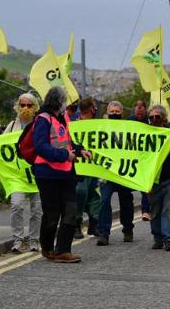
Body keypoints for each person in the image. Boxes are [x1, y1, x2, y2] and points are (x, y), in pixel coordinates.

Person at [32, 87, 92, 263]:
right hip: (47, 174)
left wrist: (80, 151)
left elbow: (66, 142)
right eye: (64, 99)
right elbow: (40, 146)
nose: (67, 103)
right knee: (51, 214)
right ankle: (48, 247)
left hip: (66, 173)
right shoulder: (43, 119)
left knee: (71, 211)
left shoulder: (62, 118)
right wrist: (65, 155)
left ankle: (63, 251)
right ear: (57, 101)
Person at [5, 94, 42, 253]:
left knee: (37, 209)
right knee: (16, 205)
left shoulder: (40, 124)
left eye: (29, 105)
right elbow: (2, 146)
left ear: (35, 107)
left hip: (37, 175)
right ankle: (18, 240)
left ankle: (34, 241)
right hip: (17, 176)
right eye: (22, 105)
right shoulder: (12, 125)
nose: (25, 108)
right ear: (17, 106)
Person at [96, 101, 135, 247]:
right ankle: (103, 234)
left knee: (126, 201)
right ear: (107, 112)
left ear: (122, 113)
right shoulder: (101, 128)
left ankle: (128, 229)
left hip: (123, 172)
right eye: (112, 112)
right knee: (104, 201)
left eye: (117, 112)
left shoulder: (128, 128)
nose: (114, 114)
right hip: (106, 172)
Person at [148, 104, 170, 251]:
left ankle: (169, 239)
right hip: (153, 180)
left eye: (158, 116)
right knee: (155, 211)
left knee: (168, 208)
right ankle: (158, 238)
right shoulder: (145, 134)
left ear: (164, 118)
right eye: (151, 117)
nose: (155, 119)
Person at [73, 98, 101, 239]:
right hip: (81, 167)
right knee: (80, 193)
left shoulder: (98, 126)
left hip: (94, 166)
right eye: (94, 107)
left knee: (95, 195)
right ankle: (76, 224)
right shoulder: (74, 126)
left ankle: (93, 224)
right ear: (91, 109)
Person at [128, 100, 151, 221]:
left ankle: (146, 210)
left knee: (145, 187)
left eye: (142, 107)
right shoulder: (129, 121)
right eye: (137, 107)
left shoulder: (150, 121)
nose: (139, 109)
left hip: (146, 158)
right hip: (132, 159)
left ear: (145, 109)